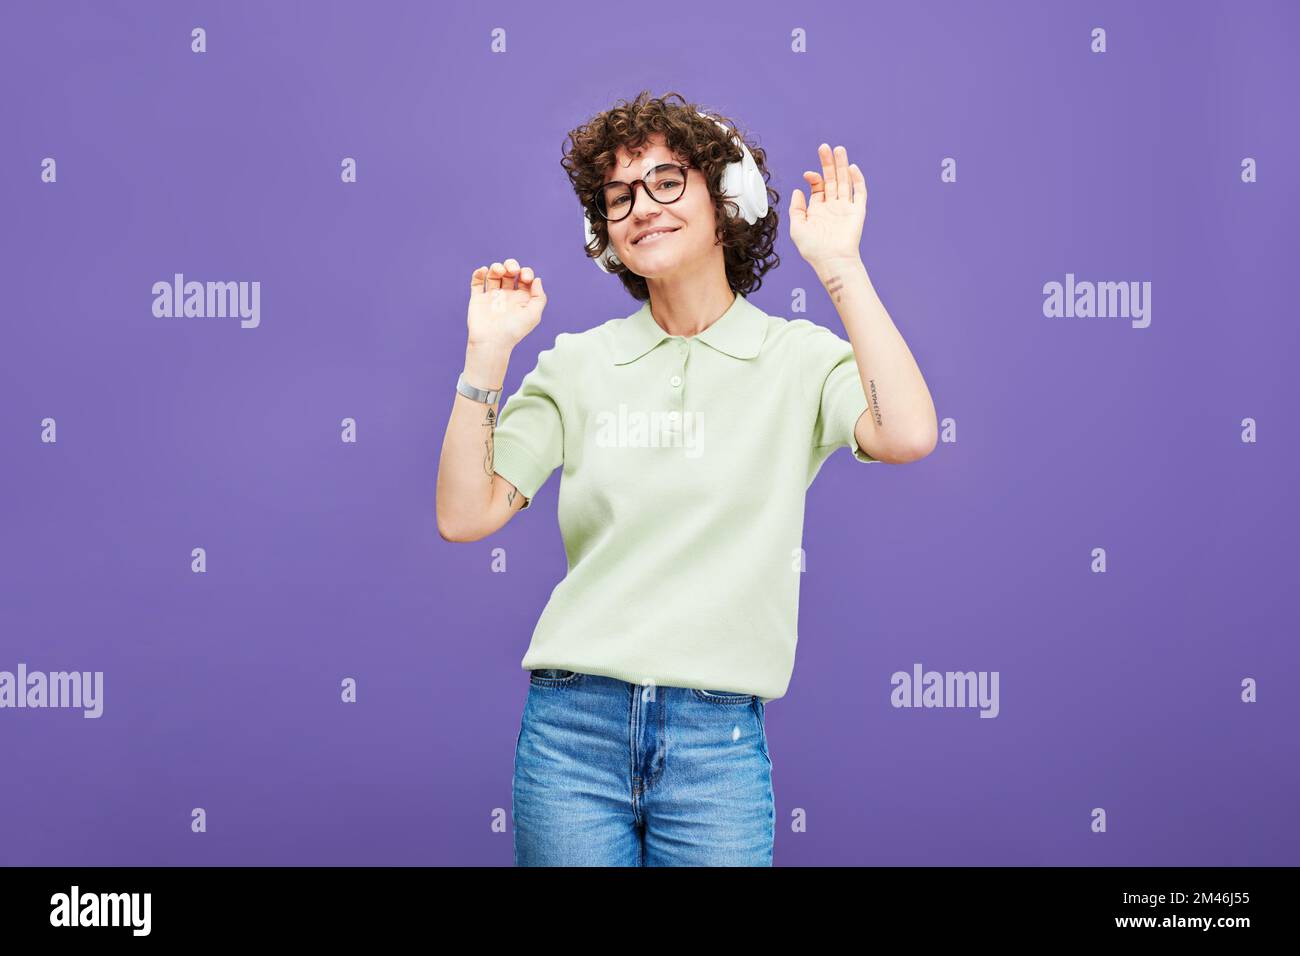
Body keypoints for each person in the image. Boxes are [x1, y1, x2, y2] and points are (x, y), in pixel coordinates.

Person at [435, 91, 937, 866]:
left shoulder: (797, 360)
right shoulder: (578, 363)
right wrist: (486, 355)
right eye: (619, 196)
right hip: (572, 732)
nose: (643, 207)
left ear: (724, 201)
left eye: (667, 182)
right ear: (605, 234)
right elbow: (465, 514)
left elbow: (906, 432)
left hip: (717, 742)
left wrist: (840, 269)